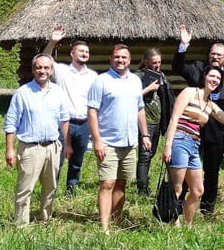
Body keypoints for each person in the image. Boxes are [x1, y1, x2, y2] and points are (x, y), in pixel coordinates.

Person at [162, 65, 224, 225]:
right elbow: (174, 118)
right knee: (177, 188)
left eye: (218, 78)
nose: (214, 80)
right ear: (205, 77)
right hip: (179, 140)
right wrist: (168, 145)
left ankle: (189, 225)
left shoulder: (210, 105)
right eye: (212, 76)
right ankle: (174, 224)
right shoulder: (189, 92)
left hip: (194, 144)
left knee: (198, 190)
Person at [172, 25, 224, 214]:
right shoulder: (197, 68)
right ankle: (178, 205)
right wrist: (183, 46)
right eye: (213, 54)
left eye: (219, 55)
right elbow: (177, 67)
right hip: (191, 128)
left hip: (215, 129)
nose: (215, 57)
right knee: (186, 168)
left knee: (212, 171)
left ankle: (207, 208)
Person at [87, 44, 151, 233]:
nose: (120, 60)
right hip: (108, 142)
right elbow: (92, 111)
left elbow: (140, 109)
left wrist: (145, 134)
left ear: (129, 60)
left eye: (124, 57)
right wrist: (97, 140)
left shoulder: (135, 81)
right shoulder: (101, 81)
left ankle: (117, 219)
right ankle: (104, 227)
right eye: (117, 57)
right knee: (107, 183)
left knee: (122, 183)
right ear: (111, 59)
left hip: (129, 142)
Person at [3, 53, 71, 227]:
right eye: (38, 67)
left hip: (53, 147)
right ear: (33, 70)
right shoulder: (23, 93)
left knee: (50, 186)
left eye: (46, 67)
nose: (42, 71)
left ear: (51, 70)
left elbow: (64, 119)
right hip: (30, 148)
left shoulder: (58, 92)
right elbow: (10, 123)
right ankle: (21, 224)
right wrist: (9, 150)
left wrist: (67, 143)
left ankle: (45, 218)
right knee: (25, 189)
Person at [42, 25, 98, 193]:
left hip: (83, 124)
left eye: (86, 52)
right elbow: (45, 60)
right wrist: (53, 41)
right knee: (57, 160)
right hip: (62, 124)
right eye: (81, 51)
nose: (84, 54)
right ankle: (51, 191)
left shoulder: (93, 76)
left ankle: (71, 191)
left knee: (76, 162)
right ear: (72, 54)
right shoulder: (61, 71)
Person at [134, 48, 173, 197]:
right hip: (145, 121)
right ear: (146, 62)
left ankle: (144, 182)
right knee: (144, 155)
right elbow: (131, 96)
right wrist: (148, 88)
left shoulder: (161, 76)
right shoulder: (138, 76)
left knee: (151, 154)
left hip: (157, 121)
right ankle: (142, 189)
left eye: (159, 62)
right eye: (154, 62)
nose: (157, 65)